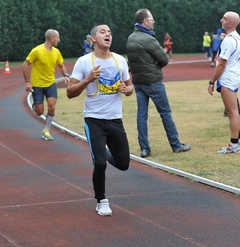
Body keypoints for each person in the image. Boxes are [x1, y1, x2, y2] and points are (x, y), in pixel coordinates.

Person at [67, 24, 134, 216]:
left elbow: (130, 88)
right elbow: (70, 93)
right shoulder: (84, 61)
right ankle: (101, 200)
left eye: (110, 32)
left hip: (115, 119)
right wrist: (87, 80)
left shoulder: (119, 60)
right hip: (94, 120)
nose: (108, 35)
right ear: (93, 38)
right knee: (100, 163)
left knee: (123, 163)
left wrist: (126, 89)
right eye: (103, 32)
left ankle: (101, 152)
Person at [126, 8, 191, 158]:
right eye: (152, 20)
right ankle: (176, 145)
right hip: (153, 81)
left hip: (138, 82)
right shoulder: (149, 39)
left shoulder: (131, 38)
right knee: (165, 113)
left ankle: (144, 149)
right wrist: (154, 64)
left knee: (142, 115)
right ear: (145, 21)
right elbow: (164, 59)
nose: (153, 22)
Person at [23, 29, 70, 141]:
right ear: (52, 39)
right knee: (39, 112)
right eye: (58, 37)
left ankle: (46, 130)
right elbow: (25, 65)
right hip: (38, 85)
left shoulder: (56, 52)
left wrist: (66, 75)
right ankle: (36, 104)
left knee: (52, 106)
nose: (59, 40)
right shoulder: (37, 51)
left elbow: (61, 65)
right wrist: (27, 82)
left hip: (50, 83)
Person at [208, 11, 240, 154]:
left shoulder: (229, 40)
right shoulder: (236, 37)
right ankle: (237, 141)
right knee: (232, 111)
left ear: (231, 24)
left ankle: (234, 145)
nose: (221, 20)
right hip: (232, 77)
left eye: (225, 18)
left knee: (232, 112)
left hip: (227, 79)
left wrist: (212, 81)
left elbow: (222, 64)